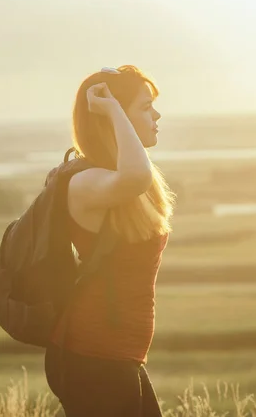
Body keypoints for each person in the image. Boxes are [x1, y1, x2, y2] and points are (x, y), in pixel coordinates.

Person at [44, 64, 176, 416]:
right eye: (145, 107)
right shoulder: (85, 183)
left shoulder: (116, 183)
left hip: (117, 356)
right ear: (112, 117)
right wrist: (112, 106)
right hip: (90, 357)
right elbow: (136, 174)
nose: (157, 114)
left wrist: (115, 109)